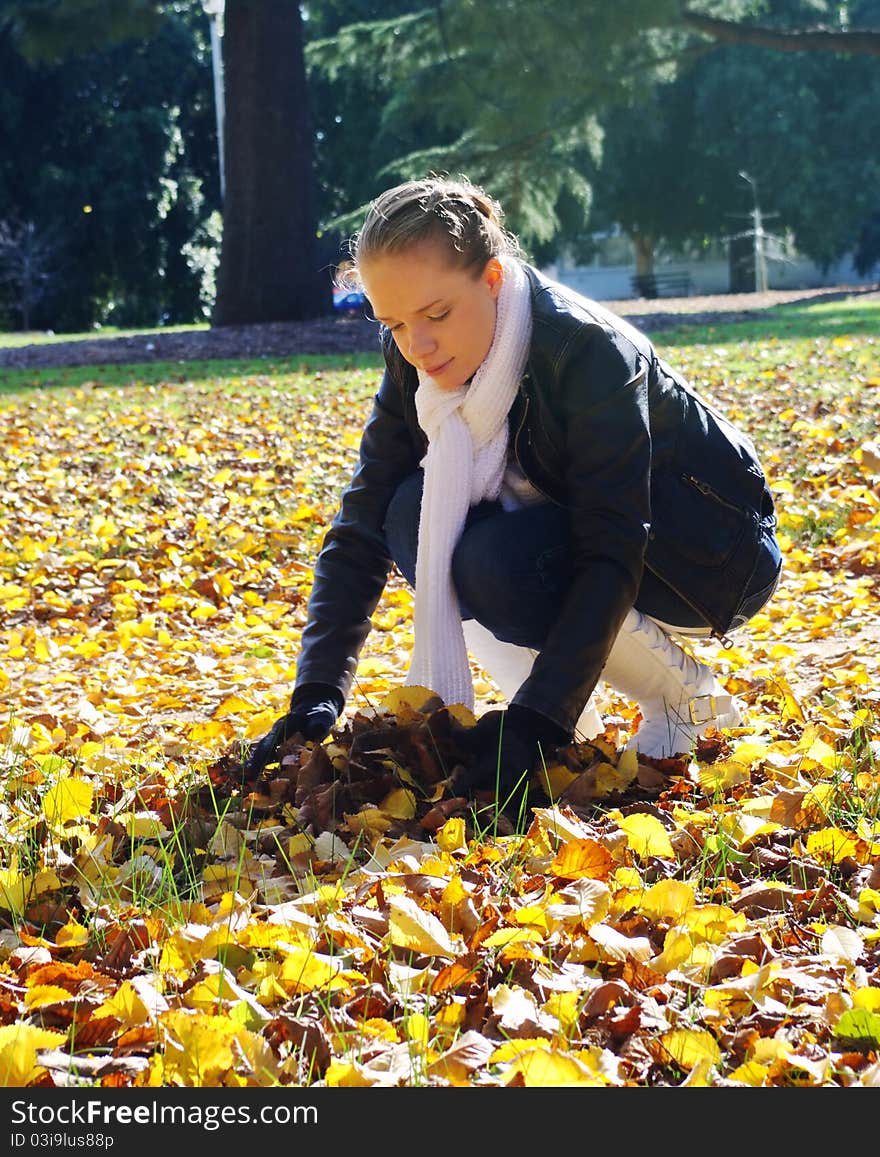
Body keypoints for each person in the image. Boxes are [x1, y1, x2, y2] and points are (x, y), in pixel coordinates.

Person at [245, 175, 782, 805]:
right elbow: (361, 524)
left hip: (707, 558)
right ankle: (567, 718)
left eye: (436, 314)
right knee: (412, 518)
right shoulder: (417, 359)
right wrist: (315, 696)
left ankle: (684, 701)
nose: (417, 346)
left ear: (494, 279)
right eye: (392, 323)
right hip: (574, 537)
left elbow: (613, 544)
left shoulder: (586, 350)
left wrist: (533, 724)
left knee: (494, 561)